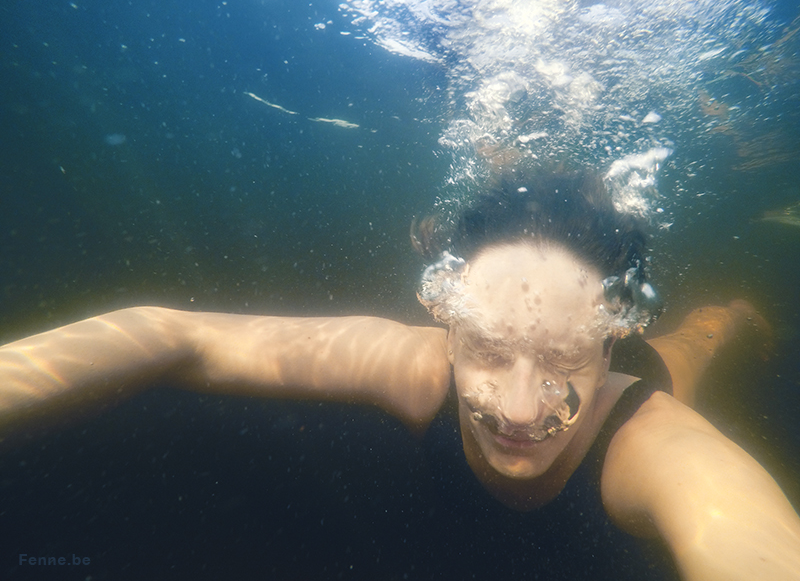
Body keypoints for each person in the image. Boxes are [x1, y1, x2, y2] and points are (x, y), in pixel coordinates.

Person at [1, 170, 798, 580]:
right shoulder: (417, 366)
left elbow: (751, 542)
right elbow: (174, 334)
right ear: (446, 323)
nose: (518, 409)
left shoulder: (654, 446)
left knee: (691, 347)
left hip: (647, 379)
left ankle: (730, 318)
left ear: (609, 338)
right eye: (486, 350)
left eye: (562, 362)